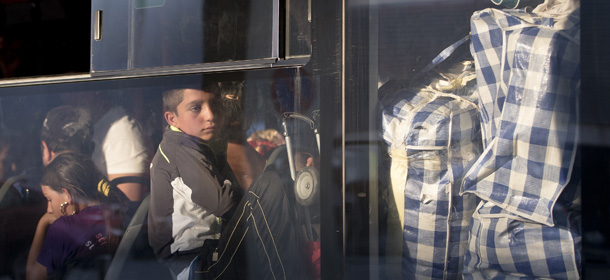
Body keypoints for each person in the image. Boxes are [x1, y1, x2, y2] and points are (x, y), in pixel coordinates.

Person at [148, 83, 243, 279]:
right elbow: (223, 203)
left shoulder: (189, 144)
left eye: (214, 105)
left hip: (199, 254)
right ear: (172, 118)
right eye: (195, 108)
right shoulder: (180, 148)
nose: (210, 115)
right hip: (193, 261)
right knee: (269, 189)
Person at [25, 152, 123, 280]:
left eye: (49, 199)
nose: (48, 209)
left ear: (67, 195)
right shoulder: (115, 210)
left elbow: (32, 276)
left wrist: (42, 223)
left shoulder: (63, 229)